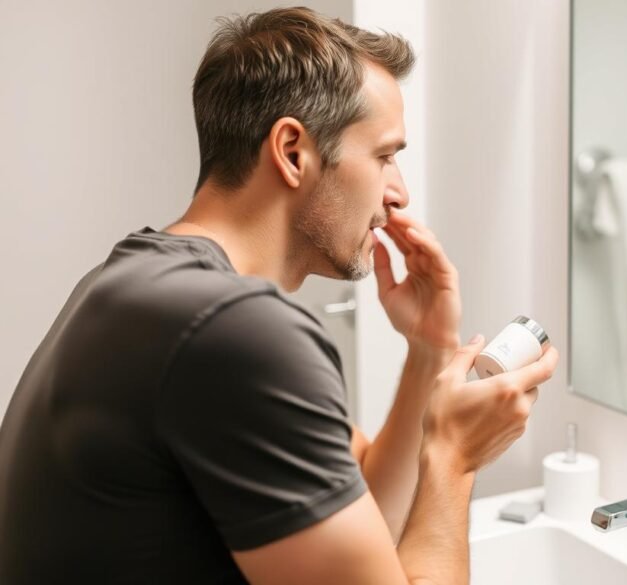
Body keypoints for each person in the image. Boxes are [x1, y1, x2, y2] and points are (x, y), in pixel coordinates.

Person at [0, 7, 558, 584]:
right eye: (385, 155)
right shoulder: (233, 329)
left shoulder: (139, 287)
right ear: (293, 151)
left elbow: (360, 507)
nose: (400, 193)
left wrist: (427, 349)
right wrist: (455, 460)